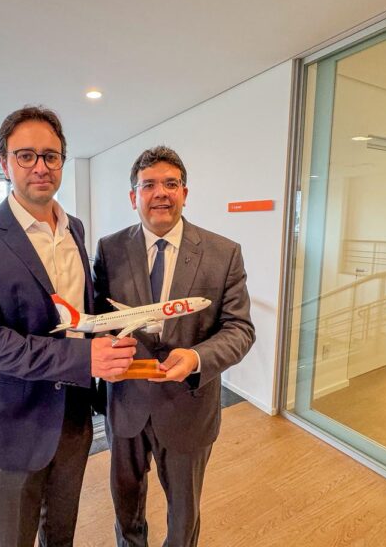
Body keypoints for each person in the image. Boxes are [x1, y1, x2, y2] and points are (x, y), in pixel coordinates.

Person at [0, 105, 136, 547]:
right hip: (14, 422)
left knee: (61, 534)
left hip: (74, 416)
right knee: (11, 538)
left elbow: (79, 315)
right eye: (26, 155)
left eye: (51, 156)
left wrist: (114, 331)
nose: (40, 166)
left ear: (62, 162)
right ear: (4, 163)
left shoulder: (75, 229)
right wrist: (84, 357)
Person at [93, 145, 255, 547]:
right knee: (125, 507)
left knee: (183, 515)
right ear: (133, 196)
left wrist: (198, 357)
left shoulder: (223, 253)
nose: (160, 193)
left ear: (185, 192)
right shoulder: (109, 250)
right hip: (126, 404)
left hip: (188, 406)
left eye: (171, 183)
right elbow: (97, 318)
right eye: (148, 185)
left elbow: (240, 329)